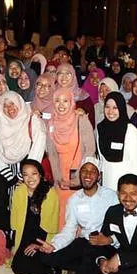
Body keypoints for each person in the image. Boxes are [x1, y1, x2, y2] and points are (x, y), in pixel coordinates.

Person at [37, 159, 117, 274]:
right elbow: (70, 228)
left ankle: (91, 268)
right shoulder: (74, 199)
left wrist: (109, 239)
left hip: (105, 244)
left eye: (93, 171)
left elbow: (122, 227)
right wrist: (54, 245)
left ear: (99, 176)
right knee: (45, 256)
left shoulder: (111, 196)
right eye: (84, 170)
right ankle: (89, 268)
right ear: (79, 174)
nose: (88, 174)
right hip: (84, 242)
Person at [46, 87, 97, 229]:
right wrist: (58, 178)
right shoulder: (51, 123)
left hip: (80, 174)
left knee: (79, 216)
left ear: (72, 102)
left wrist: (77, 179)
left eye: (65, 101)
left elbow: (90, 150)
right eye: (57, 101)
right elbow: (51, 153)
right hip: (60, 176)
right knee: (62, 216)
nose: (61, 105)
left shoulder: (81, 119)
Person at [8, 159, 60, 274]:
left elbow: (49, 226)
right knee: (17, 267)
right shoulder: (19, 191)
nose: (30, 178)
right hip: (24, 234)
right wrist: (14, 245)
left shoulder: (50, 194)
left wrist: (36, 245)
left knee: (40, 271)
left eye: (34, 174)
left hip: (42, 237)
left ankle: (54, 265)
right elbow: (14, 221)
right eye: (25, 175)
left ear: (40, 175)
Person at [0, 92, 47, 183]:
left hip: (30, 175)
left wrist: (23, 175)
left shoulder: (33, 121)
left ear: (19, 103)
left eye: (12, 103)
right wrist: (9, 178)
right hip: (6, 177)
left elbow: (38, 148)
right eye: (5, 106)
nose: (9, 108)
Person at [96, 91, 137, 192]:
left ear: (121, 108)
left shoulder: (130, 130)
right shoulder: (100, 128)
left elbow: (136, 163)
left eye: (115, 108)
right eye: (107, 107)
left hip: (126, 182)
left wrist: (134, 189)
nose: (110, 111)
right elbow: (101, 158)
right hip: (106, 180)